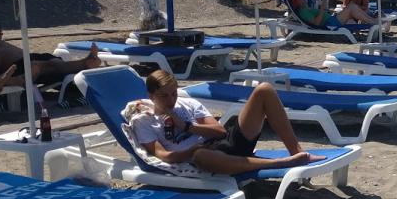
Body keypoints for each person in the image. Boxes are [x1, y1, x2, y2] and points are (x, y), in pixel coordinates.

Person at [131, 69, 321, 174]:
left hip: (226, 142)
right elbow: (163, 155)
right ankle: (280, 163)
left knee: (264, 89)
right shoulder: (144, 121)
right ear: (151, 95)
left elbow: (220, 131)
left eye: (173, 93)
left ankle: (297, 152)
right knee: (201, 157)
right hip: (207, 157)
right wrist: (194, 150)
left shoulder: (187, 103)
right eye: (163, 96)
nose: (171, 100)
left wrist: (186, 126)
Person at [0, 11, 101, 81]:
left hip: (28, 57)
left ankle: (86, 66)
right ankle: (85, 63)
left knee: (52, 62)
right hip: (17, 69)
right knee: (46, 65)